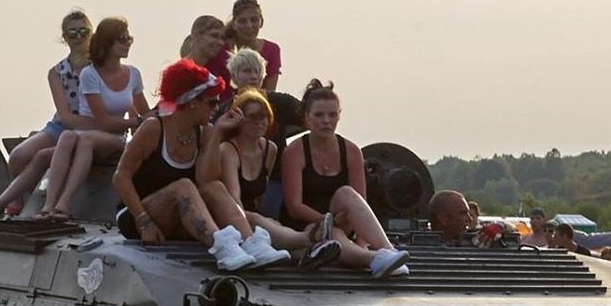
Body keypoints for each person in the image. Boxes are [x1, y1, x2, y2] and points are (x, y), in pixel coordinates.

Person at [112, 60, 287, 272]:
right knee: (183, 185)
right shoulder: (154, 128)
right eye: (211, 103)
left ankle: (251, 242)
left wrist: (218, 134)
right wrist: (143, 221)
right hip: (139, 216)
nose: (215, 108)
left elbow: (207, 180)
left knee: (214, 187)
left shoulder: (205, 132)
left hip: (182, 215)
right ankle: (221, 245)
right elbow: (121, 177)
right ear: (192, 102)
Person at [197, 88, 342, 269]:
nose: (259, 122)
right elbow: (234, 197)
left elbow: (260, 194)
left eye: (264, 116)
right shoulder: (228, 150)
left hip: (254, 218)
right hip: (231, 217)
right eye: (252, 116)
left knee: (271, 225)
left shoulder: (270, 149)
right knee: (255, 219)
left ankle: (309, 253)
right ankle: (311, 237)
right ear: (239, 119)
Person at [0, 11, 96, 221]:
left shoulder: (99, 68)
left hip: (91, 127)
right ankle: (23, 199)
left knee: (43, 157)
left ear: (91, 33)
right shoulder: (57, 72)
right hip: (62, 125)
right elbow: (64, 115)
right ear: (64, 37)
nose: (79, 37)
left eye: (83, 31)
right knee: (19, 156)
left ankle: (38, 202)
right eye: (73, 32)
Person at [277, 80, 409, 277]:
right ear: (307, 117)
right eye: (319, 115)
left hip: (342, 219)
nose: (326, 121)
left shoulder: (351, 151)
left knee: (346, 193)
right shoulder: (295, 152)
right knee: (332, 235)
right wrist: (327, 221)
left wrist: (360, 239)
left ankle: (388, 251)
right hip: (306, 225)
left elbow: (360, 203)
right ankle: (373, 260)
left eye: (332, 115)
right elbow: (294, 207)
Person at [40, 17, 147, 221]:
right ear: (108, 43)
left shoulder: (133, 74)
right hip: (92, 131)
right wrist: (135, 122)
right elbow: (102, 119)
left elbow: (143, 111)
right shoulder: (90, 74)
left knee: (83, 140)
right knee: (68, 137)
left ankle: (64, 204)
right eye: (122, 39)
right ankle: (48, 205)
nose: (128, 43)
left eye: (129, 39)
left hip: (114, 138)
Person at [225, 0, 283, 92]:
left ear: (261, 22)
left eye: (254, 20)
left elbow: (270, 92)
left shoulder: (272, 50)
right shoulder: (220, 49)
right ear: (234, 24)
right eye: (242, 21)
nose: (249, 26)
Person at [181, 14, 230, 79]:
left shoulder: (215, 73)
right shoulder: (180, 71)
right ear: (197, 36)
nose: (220, 42)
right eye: (214, 36)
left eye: (222, 38)